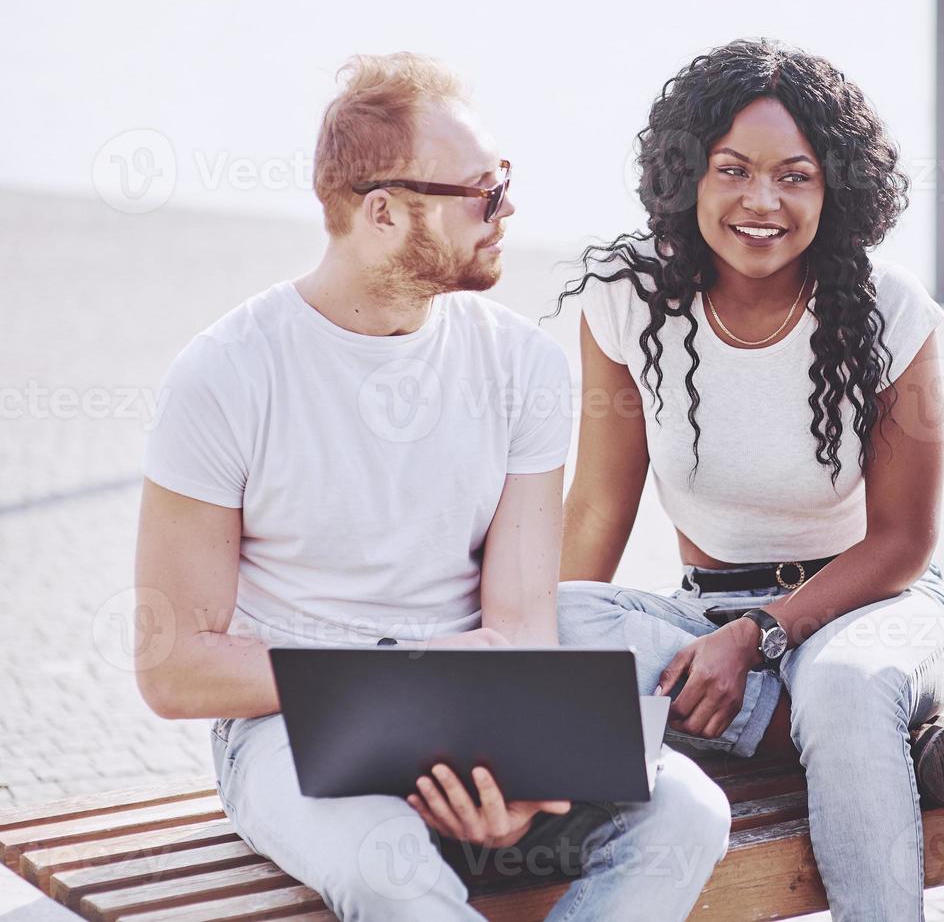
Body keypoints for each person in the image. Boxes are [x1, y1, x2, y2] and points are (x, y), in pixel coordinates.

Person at [134, 52, 730, 922]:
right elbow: (174, 666)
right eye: (482, 192)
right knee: (390, 868)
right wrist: (399, 680)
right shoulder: (225, 376)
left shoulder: (520, 364)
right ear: (381, 212)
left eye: (506, 180)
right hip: (288, 729)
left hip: (478, 711)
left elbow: (520, 626)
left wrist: (518, 771)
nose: (509, 208)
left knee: (690, 814)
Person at [553, 39, 944, 921]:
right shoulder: (628, 299)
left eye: (796, 175)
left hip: (874, 609)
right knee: (548, 621)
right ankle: (831, 740)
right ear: (686, 175)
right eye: (732, 169)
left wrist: (762, 636)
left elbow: (904, 539)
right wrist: (536, 657)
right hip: (701, 612)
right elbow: (596, 505)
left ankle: (827, 727)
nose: (761, 201)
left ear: (836, 187)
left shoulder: (887, 310)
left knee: (844, 684)